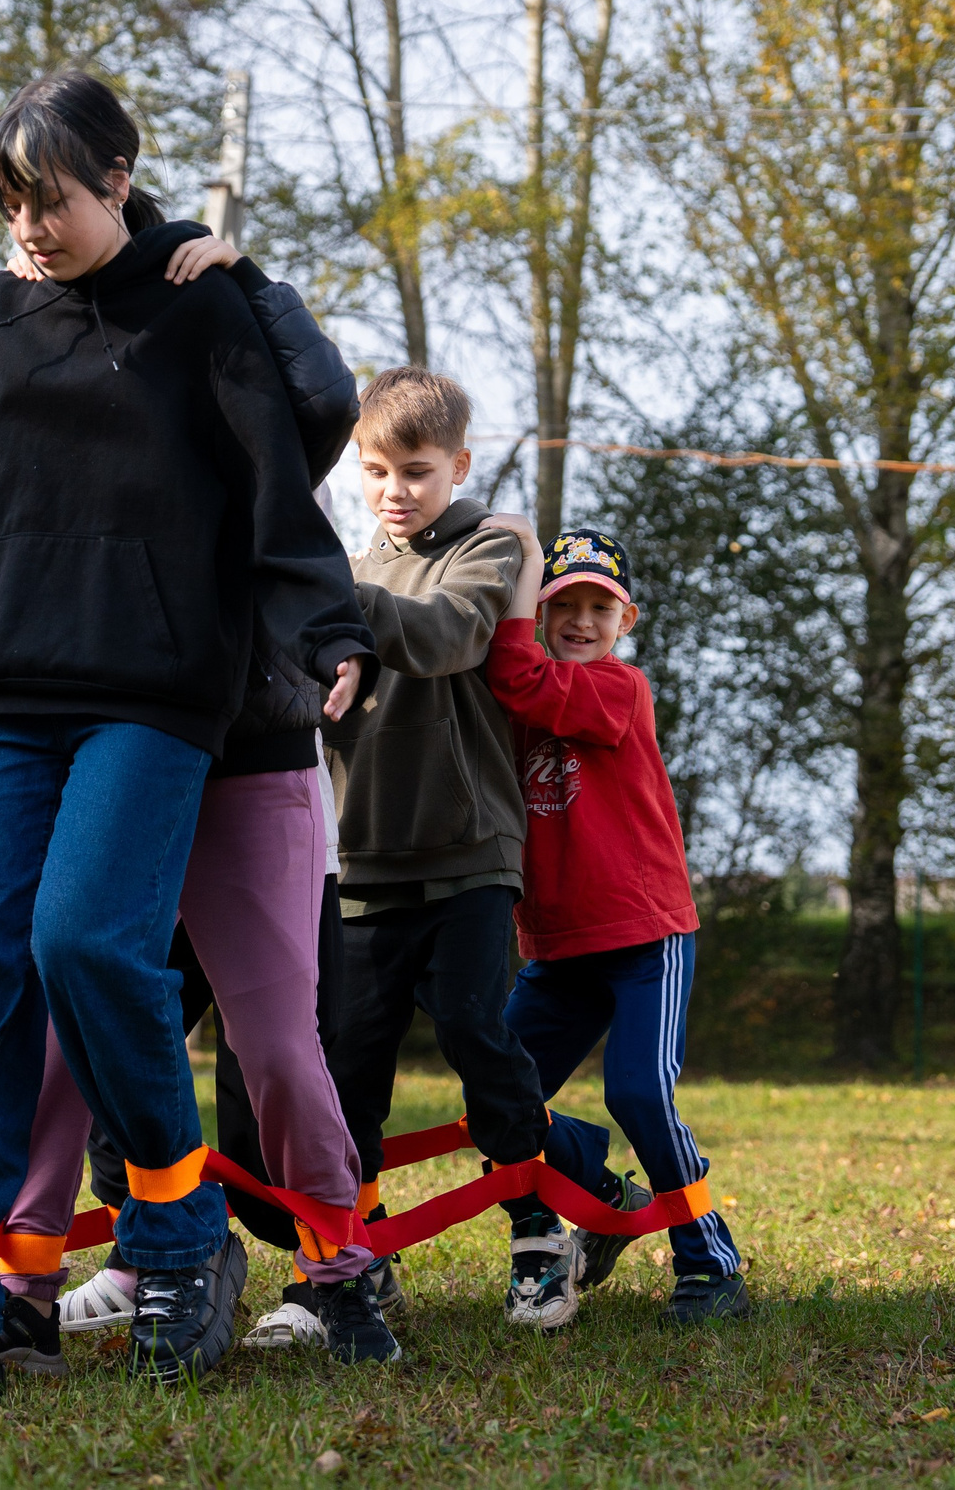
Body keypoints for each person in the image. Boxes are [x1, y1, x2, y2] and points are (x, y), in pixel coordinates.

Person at [0, 72, 372, 1400]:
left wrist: (329, 628)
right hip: (4, 692)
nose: (32, 226)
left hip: (151, 692)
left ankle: (176, 1231)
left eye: (51, 197)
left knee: (85, 942)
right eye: (11, 202)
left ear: (119, 177)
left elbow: (285, 473)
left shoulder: (197, 309)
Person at [0, 234, 396, 1368]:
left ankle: (340, 1267)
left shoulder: (249, 421)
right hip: (122, 753)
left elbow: (320, 400)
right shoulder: (89, 435)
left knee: (274, 1046)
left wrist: (246, 282)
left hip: (251, 759)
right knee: (70, 1026)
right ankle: (29, 1271)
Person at [319, 367, 630, 1336]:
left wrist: (323, 596)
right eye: (374, 472)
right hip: (362, 859)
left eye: (414, 471)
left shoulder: (497, 545)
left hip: (468, 847)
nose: (394, 492)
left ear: (456, 465)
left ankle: (543, 1231)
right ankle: (353, 1260)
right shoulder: (354, 564)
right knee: (346, 1070)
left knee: (473, 1035)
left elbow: (447, 636)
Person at [479, 522, 749, 1326]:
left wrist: (522, 564)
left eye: (602, 606)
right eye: (564, 603)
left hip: (643, 934)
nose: (583, 620)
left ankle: (710, 1260)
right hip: (561, 949)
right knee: (498, 1102)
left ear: (625, 622)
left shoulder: (618, 690)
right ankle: (599, 1193)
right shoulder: (517, 701)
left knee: (639, 1092)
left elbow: (518, 672)